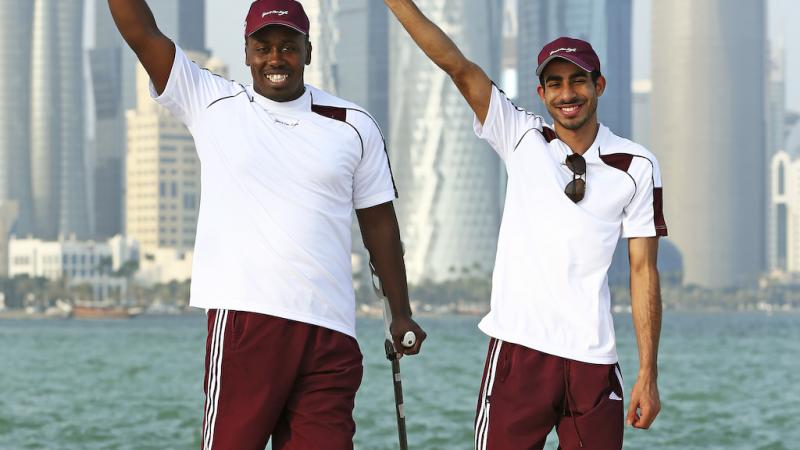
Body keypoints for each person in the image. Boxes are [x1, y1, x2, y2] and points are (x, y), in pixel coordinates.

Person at [108, 0, 426, 448]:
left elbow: (381, 228)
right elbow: (141, 33)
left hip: (330, 331)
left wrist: (402, 311)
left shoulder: (355, 125)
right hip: (246, 322)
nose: (276, 59)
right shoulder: (210, 100)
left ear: (309, 51)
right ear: (246, 52)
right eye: (263, 47)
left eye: (288, 47)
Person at [384, 1, 667, 449]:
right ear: (541, 93)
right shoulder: (520, 134)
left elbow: (642, 272)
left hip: (593, 360)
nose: (566, 93)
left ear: (599, 85)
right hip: (519, 351)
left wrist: (648, 374)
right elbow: (455, 65)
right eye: (554, 83)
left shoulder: (637, 165)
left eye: (578, 81)